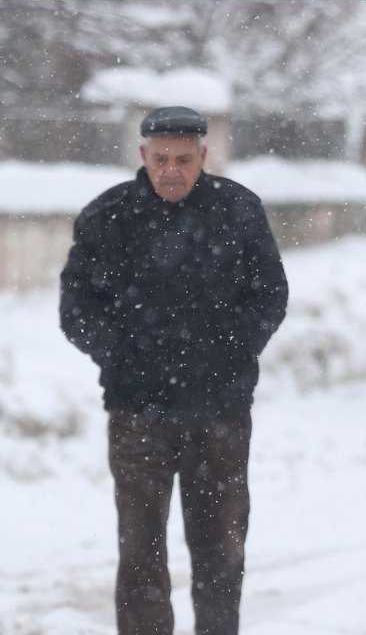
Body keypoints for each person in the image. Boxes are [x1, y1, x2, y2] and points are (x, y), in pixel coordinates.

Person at [59, 106, 288, 635]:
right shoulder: (107, 218)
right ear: (143, 155)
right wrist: (120, 353)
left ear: (203, 156)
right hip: (139, 412)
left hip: (221, 411)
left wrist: (233, 351)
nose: (171, 170)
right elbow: (77, 307)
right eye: (161, 158)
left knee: (221, 553)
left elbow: (270, 293)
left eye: (184, 159)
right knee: (139, 552)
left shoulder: (238, 212)